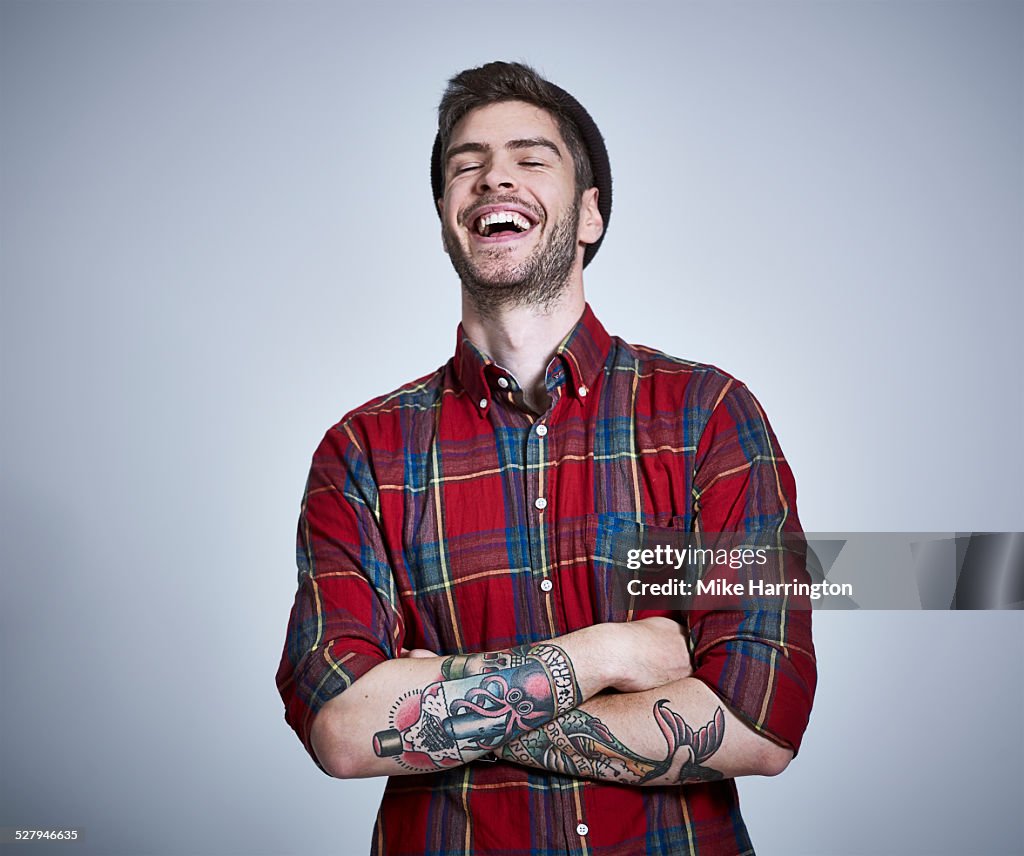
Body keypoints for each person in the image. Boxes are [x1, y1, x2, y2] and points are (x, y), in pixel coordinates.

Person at [276, 61, 816, 855]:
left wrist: (443, 697)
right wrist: (608, 654)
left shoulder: (708, 419)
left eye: (531, 159)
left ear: (591, 214)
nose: (495, 176)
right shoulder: (363, 453)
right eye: (468, 164)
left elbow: (757, 721)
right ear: (446, 216)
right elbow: (344, 730)